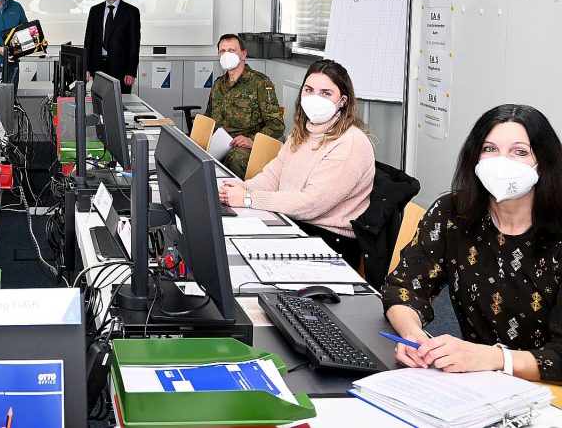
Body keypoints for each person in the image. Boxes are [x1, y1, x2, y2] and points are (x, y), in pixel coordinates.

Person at [383, 104, 562, 381]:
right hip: (476, 381)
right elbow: (403, 287)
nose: (502, 162)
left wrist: (494, 358)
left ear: (545, 163)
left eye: (520, 152)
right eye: (490, 149)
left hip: (548, 392)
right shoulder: (452, 213)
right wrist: (413, 336)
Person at [219, 59, 374, 264]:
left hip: (328, 241)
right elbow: (273, 176)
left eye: (326, 93)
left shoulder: (351, 142)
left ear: (343, 101)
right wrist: (240, 189)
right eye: (309, 90)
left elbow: (311, 203)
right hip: (292, 221)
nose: (315, 98)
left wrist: (249, 199)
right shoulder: (302, 132)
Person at [206, 34, 285, 178]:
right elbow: (208, 119)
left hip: (245, 146)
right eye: (222, 51)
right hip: (221, 144)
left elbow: (277, 125)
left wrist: (252, 140)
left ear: (243, 54)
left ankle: (235, 197)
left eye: (232, 50)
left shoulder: (260, 83)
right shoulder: (218, 85)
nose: (226, 55)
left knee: (235, 158)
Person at [82, 0, 141, 94]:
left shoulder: (132, 12)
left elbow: (134, 44)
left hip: (121, 69)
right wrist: (86, 67)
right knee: (99, 103)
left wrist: (131, 71)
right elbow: (89, 40)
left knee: (120, 106)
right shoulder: (95, 10)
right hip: (98, 67)